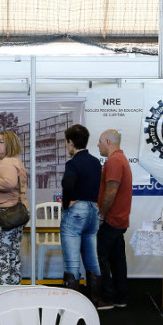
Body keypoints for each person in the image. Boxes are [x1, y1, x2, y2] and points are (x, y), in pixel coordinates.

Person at [60, 124, 103, 301]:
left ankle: (73, 304)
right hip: (93, 209)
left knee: (72, 261)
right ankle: (95, 300)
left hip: (77, 211)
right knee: (92, 259)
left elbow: (68, 184)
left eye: (66, 142)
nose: (66, 146)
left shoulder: (72, 163)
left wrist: (67, 204)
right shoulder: (95, 162)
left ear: (71, 142)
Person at [0, 130, 29, 285]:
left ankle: (3, 293)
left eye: (1, 142)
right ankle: (14, 289)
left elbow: (9, 183)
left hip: (4, 215)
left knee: (3, 256)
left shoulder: (7, 163)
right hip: (16, 213)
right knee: (13, 255)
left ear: (10, 144)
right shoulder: (16, 161)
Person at [97, 129, 133, 310]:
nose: (98, 145)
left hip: (111, 219)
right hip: (120, 219)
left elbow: (111, 190)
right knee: (117, 259)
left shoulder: (114, 161)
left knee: (100, 257)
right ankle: (121, 297)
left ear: (108, 142)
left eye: (100, 142)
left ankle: (107, 298)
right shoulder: (121, 159)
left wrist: (101, 214)